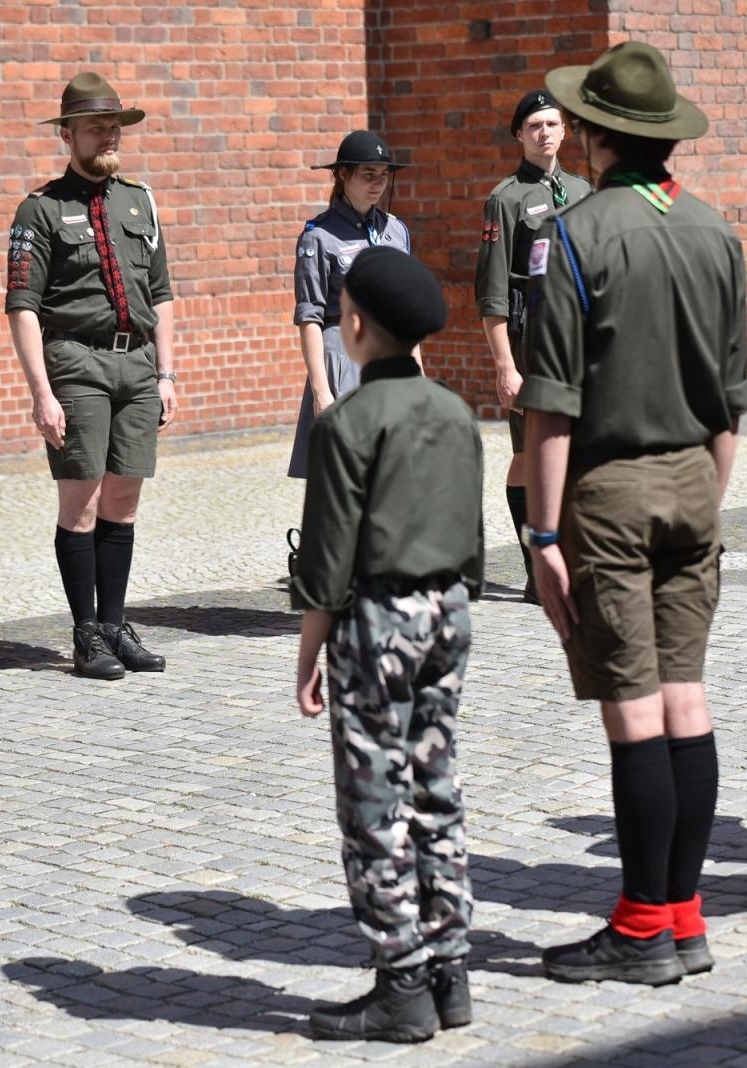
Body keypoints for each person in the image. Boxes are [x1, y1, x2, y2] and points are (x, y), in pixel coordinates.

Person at [519, 41, 747, 985]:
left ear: (587, 134)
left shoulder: (573, 232)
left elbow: (551, 404)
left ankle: (641, 926)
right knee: (688, 704)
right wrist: (704, 490)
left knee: (633, 713)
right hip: (699, 477)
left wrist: (541, 536)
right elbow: (734, 402)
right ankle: (685, 920)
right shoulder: (714, 232)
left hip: (608, 488)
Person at [291, 247, 484, 1042]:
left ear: (357, 324)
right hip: (450, 610)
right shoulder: (455, 412)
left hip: (378, 621)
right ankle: (450, 968)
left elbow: (327, 562)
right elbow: (471, 538)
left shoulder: (349, 424)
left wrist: (309, 654)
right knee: (436, 783)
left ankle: (400, 981)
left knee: (375, 799)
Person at [6, 73, 178, 681]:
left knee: (124, 498)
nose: (110, 137)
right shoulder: (41, 209)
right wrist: (40, 392)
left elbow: (161, 294)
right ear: (69, 135)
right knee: (80, 498)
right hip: (75, 364)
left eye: (115, 127)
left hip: (137, 364)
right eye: (98, 128)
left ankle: (114, 625)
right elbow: (22, 305)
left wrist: (166, 372)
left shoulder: (140, 200)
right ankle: (85, 633)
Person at [474, 90, 593, 602]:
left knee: (582, 448)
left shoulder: (586, 190)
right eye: (534, 126)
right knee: (528, 453)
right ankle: (533, 565)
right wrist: (506, 366)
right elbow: (492, 293)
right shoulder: (506, 198)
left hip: (583, 341)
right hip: (532, 342)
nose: (545, 133)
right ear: (520, 135)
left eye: (553, 124)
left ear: (565, 131)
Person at [285, 130, 414, 482]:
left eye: (383, 175)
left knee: (392, 472)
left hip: (390, 355)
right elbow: (309, 316)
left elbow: (406, 309)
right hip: (343, 358)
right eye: (367, 174)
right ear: (343, 176)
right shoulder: (318, 236)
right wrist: (320, 389)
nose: (378, 183)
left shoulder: (395, 231)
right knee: (346, 475)